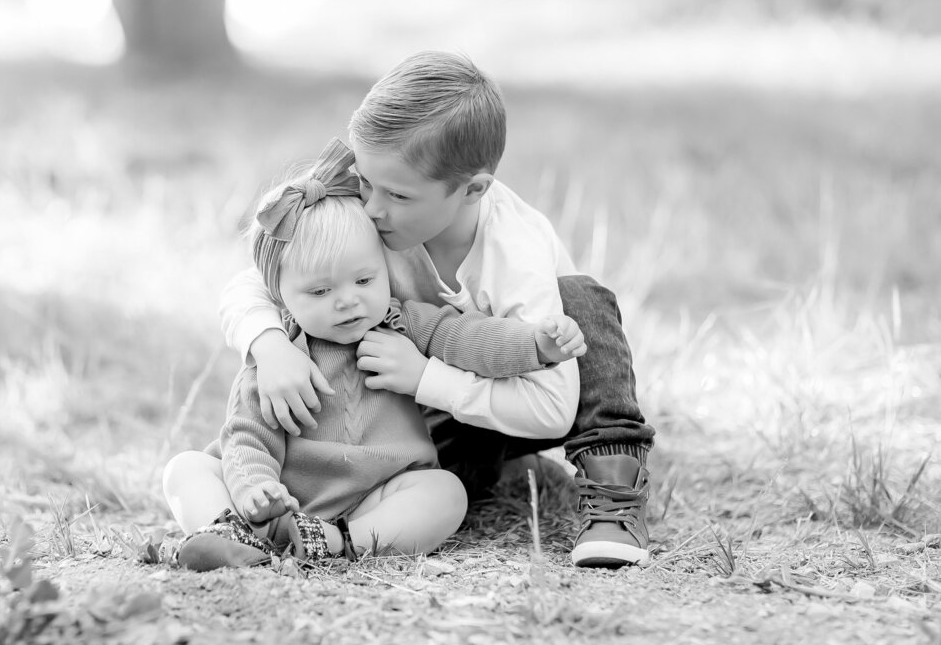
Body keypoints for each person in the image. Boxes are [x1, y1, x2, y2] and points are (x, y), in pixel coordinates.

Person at [219, 52, 656, 569]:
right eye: (365, 182)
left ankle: (612, 492)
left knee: (583, 301)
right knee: (438, 485)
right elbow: (257, 277)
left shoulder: (514, 251)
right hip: (418, 434)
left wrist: (425, 377)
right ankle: (487, 471)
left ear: (473, 189)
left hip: (509, 393)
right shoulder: (373, 203)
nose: (373, 208)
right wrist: (269, 346)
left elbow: (551, 410)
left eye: (398, 195)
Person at [163, 139, 586, 571]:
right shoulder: (281, 358)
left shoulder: (403, 323)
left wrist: (535, 345)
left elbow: (471, 339)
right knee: (186, 468)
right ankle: (227, 532)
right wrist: (256, 488)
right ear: (281, 296)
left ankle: (337, 544)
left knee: (444, 493)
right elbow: (247, 436)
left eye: (364, 280)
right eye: (321, 291)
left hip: (373, 496)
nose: (348, 301)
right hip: (276, 498)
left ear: (385, 268)